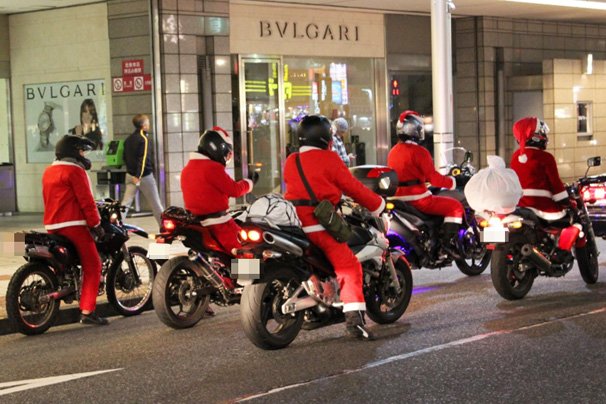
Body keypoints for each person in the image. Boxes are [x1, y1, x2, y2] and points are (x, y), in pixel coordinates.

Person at [284, 115, 385, 340]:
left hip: (293, 224)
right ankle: (354, 323)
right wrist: (378, 204)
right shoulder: (329, 159)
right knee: (349, 267)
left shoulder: (292, 160)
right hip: (319, 225)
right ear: (325, 137)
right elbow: (353, 188)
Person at [42, 135, 108, 325]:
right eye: (81, 151)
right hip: (74, 225)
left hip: (52, 225)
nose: (83, 155)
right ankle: (87, 310)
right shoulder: (75, 171)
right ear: (73, 152)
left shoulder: (48, 171)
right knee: (93, 264)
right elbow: (86, 202)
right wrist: (96, 224)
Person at [387, 110, 464, 256]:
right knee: (455, 207)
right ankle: (447, 245)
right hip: (418, 199)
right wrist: (454, 181)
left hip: (397, 198)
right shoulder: (419, 152)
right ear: (414, 129)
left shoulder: (393, 151)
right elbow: (434, 178)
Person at [181, 126, 257, 256]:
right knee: (247, 252)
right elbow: (235, 190)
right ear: (220, 149)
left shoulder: (188, 168)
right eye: (227, 154)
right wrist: (250, 182)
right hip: (218, 223)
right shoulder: (212, 168)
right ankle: (245, 276)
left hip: (197, 223)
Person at [510, 116, 569, 221]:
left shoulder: (515, 156)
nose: (545, 136)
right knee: (568, 222)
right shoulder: (546, 157)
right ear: (535, 136)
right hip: (542, 206)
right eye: (542, 133)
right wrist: (565, 201)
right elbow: (555, 184)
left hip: (520, 206)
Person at [122, 114, 164, 225]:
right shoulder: (144, 139)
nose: (149, 125)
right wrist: (138, 176)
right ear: (144, 126)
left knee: (125, 204)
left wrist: (131, 173)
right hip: (143, 176)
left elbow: (124, 157)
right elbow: (144, 159)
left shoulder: (128, 140)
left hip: (130, 175)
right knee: (155, 203)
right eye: (148, 123)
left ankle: (117, 225)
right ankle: (164, 227)